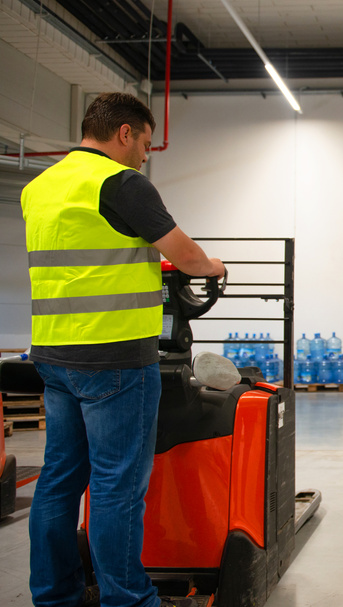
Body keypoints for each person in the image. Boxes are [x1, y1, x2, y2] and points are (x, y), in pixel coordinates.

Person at [21, 92, 225, 607]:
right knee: (116, 485)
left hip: (54, 355)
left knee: (59, 481)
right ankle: (128, 600)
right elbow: (184, 254)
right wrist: (213, 268)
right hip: (114, 360)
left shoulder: (40, 186)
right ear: (125, 133)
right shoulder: (120, 182)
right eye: (145, 144)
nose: (144, 156)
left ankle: (54, 596)